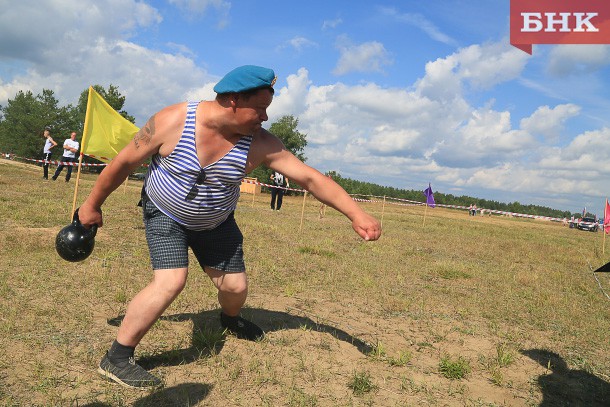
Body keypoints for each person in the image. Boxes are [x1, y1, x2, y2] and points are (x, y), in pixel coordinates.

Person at [78, 65, 382, 389]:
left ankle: (230, 320)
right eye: (260, 109)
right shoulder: (172, 121)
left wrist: (356, 214)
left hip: (216, 222)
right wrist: (92, 205)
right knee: (170, 282)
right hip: (166, 213)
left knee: (235, 289)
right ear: (235, 100)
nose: (264, 118)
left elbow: (309, 177)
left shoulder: (260, 143)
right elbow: (123, 162)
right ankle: (117, 357)